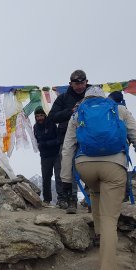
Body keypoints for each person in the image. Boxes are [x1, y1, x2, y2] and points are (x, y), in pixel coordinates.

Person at [61, 86, 136, 270]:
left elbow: (68, 147)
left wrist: (65, 179)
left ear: (86, 99)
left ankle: (98, 234)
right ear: (104, 98)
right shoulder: (119, 109)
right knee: (110, 218)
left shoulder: (77, 114)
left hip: (85, 166)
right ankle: (108, 266)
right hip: (113, 165)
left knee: (95, 191)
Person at [48, 69, 90, 213]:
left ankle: (91, 197)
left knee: (91, 166)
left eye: (82, 82)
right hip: (67, 137)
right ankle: (71, 199)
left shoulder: (93, 97)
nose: (79, 86)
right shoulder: (63, 98)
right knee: (68, 168)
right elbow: (52, 116)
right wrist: (70, 112)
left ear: (86, 82)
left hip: (89, 137)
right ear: (70, 84)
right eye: (75, 83)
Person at [33, 106, 59, 205]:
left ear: (45, 115)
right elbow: (38, 140)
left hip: (56, 154)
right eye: (37, 116)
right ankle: (47, 200)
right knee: (46, 177)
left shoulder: (52, 124)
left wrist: (47, 144)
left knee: (59, 176)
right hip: (44, 156)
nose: (39, 118)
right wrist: (41, 146)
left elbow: (58, 139)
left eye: (41, 115)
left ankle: (61, 199)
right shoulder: (35, 127)